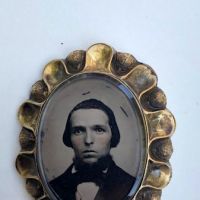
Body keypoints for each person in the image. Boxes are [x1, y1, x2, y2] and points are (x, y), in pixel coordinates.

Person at [49, 99, 135, 200]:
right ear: (68, 138)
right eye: (78, 131)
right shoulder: (52, 187)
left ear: (113, 135)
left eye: (99, 130)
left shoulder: (130, 184)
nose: (88, 140)